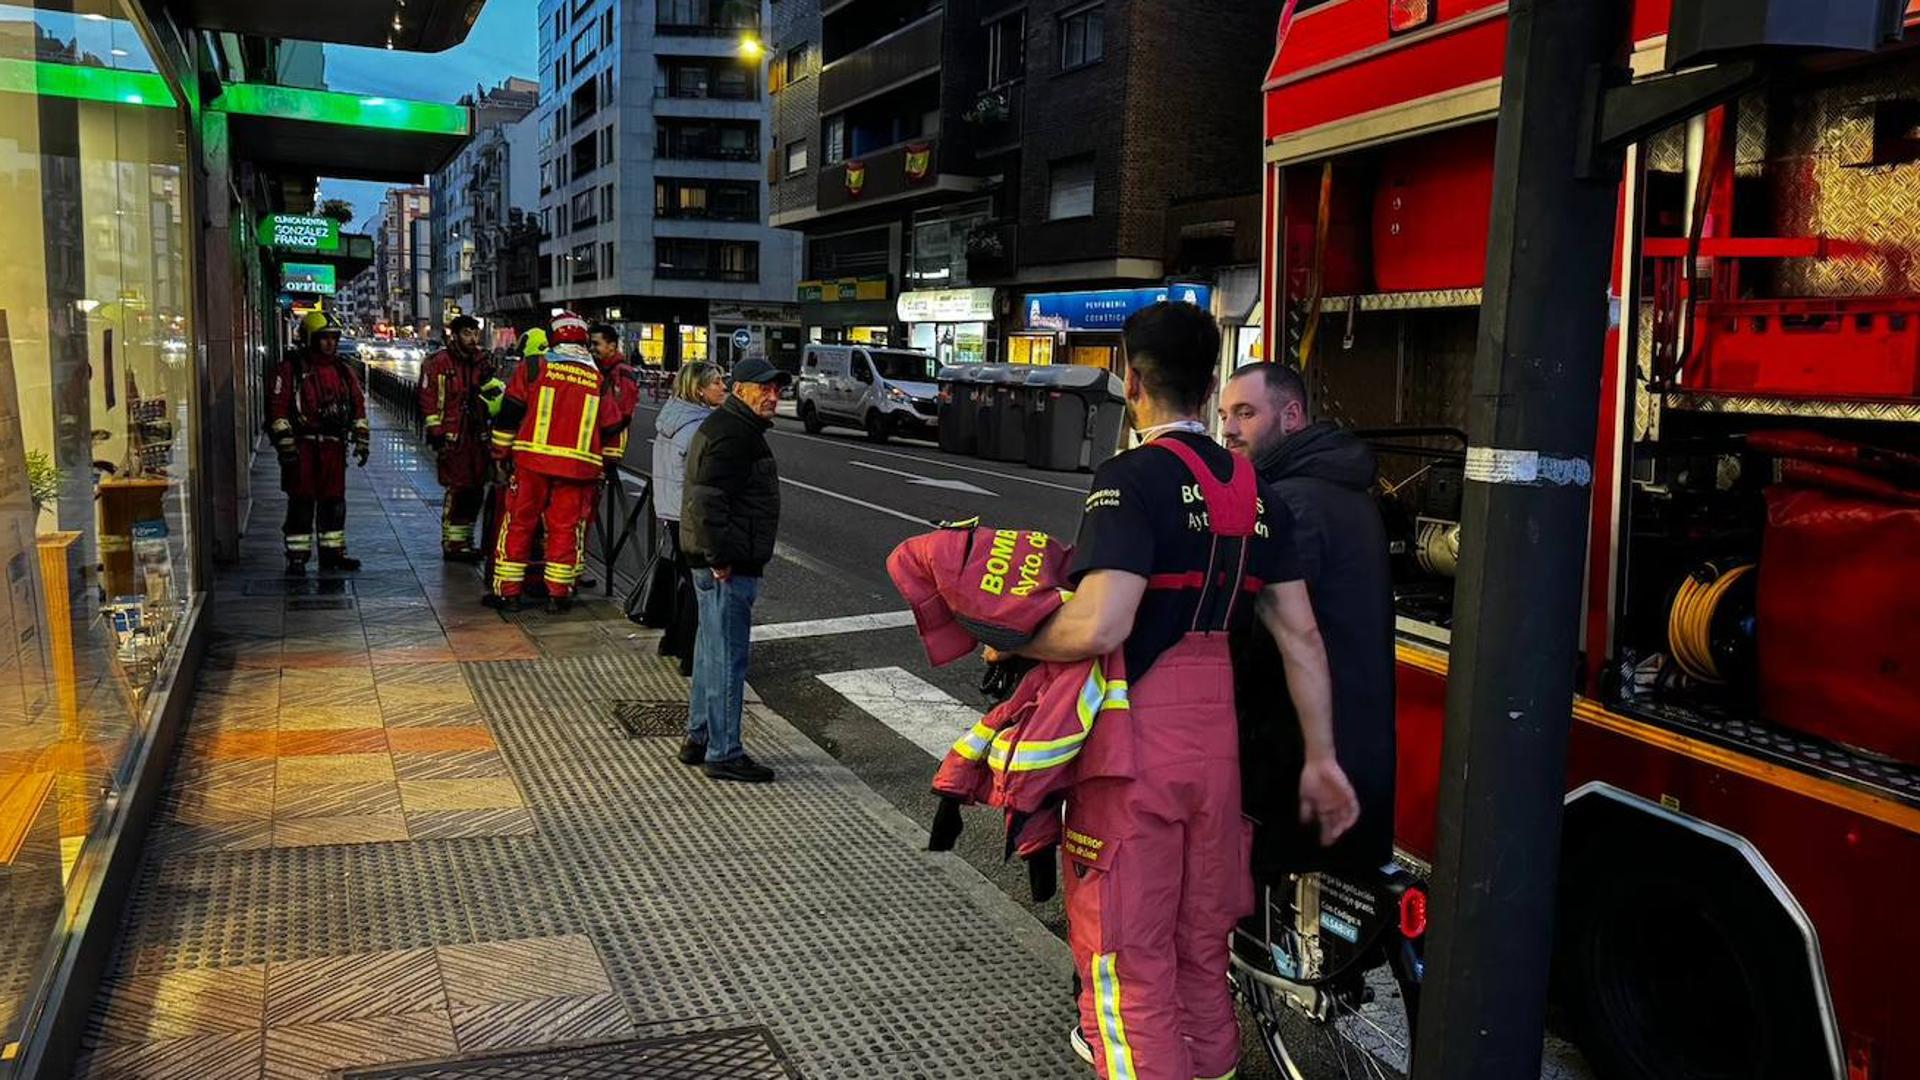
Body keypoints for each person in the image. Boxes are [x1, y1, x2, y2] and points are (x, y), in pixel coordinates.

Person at [994, 302, 1358, 1080]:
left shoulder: (1131, 479)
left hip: (1138, 748)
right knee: (1200, 950)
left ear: (1133, 381)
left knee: (1126, 959)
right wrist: (1322, 760)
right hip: (1215, 747)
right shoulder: (1255, 490)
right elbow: (1301, 635)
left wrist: (1013, 636)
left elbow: (1100, 624)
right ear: (1209, 385)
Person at [1220, 362, 1396, 875]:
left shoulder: (1289, 503)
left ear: (1292, 415)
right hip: (1353, 745)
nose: (1229, 429)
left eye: (1246, 413)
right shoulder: (1339, 490)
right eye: (1226, 414)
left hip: (1297, 757)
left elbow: (1257, 637)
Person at [678, 356, 789, 784]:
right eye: (764, 389)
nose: (773, 397)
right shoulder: (734, 434)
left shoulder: (733, 427)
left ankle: (699, 736)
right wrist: (720, 556)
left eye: (777, 390)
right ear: (740, 388)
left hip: (715, 561)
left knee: (710, 652)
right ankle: (724, 752)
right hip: (726, 564)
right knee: (727, 659)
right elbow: (708, 501)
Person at [488, 312, 623, 613]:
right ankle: (558, 594)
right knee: (565, 528)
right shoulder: (596, 377)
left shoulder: (534, 367)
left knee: (519, 524)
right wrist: (609, 462)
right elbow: (613, 426)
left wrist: (500, 454)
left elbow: (509, 413)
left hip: (531, 462)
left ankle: (508, 593)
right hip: (578, 468)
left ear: (551, 339)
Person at [269, 311, 370, 574]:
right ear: (309, 339)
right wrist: (286, 445)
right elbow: (278, 408)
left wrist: (362, 440)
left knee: (334, 503)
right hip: (303, 446)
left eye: (333, 339)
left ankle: (332, 553)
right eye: (324, 338)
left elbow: (358, 406)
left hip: (333, 447)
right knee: (301, 504)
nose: (330, 344)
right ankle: (297, 556)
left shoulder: (343, 371)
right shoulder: (291, 369)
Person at [644, 362, 724, 674]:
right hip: (689, 514)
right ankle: (691, 654)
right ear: (698, 390)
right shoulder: (698, 428)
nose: (723, 387)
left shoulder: (672, 418)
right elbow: (702, 478)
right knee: (699, 585)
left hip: (670, 509)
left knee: (685, 578)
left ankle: (673, 639)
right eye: (716, 382)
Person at [419, 315, 496, 561]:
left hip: (477, 434)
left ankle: (465, 539)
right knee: (458, 489)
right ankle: (452, 543)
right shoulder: (438, 362)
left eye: (475, 334)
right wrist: (436, 432)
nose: (473, 339)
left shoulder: (481, 362)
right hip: (453, 436)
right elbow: (428, 398)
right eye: (467, 334)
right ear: (455, 335)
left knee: (476, 489)